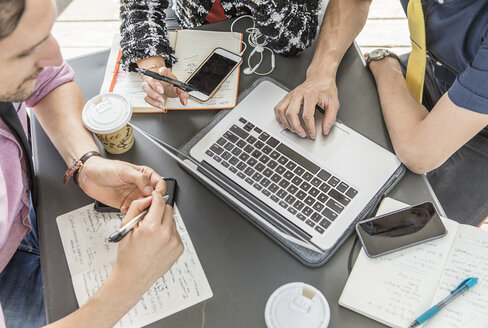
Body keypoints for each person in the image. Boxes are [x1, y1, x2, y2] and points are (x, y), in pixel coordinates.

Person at [0, 0, 184, 327]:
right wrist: (125, 289)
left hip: (25, 218)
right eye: (26, 51)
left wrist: (85, 164)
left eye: (48, 32)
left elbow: (46, 83)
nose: (56, 56)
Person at [274, 0, 488, 226]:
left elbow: (419, 153)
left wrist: (384, 63)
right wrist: (321, 74)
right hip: (441, 68)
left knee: (403, 234)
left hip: (486, 132)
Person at [119, 0, 321, 109]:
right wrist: (155, 70)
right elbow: (139, 6)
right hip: (190, 27)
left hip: (263, 38)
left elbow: (296, 40)